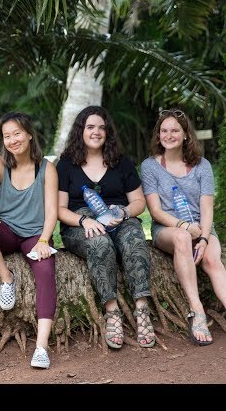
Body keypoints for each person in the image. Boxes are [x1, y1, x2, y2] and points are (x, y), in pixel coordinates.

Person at [140, 108, 226, 349]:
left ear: (185, 135)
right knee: (182, 237)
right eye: (164, 131)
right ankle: (197, 311)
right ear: (158, 135)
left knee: (212, 261)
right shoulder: (150, 166)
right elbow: (156, 211)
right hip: (168, 229)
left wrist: (203, 238)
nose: (168, 135)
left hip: (202, 227)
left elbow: (207, 208)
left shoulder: (202, 166)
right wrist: (183, 226)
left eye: (174, 131)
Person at [57, 105, 155, 350]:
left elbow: (139, 203)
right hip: (80, 222)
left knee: (135, 240)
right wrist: (84, 221)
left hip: (118, 217)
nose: (96, 132)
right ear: (81, 130)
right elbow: (59, 209)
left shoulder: (121, 162)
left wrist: (123, 212)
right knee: (99, 243)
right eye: (90, 127)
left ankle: (142, 309)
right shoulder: (67, 164)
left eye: (102, 127)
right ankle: (112, 311)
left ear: (108, 132)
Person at [0, 111, 58, 369]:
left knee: (45, 271)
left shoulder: (47, 168)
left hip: (34, 235)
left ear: (29, 134)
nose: (12, 140)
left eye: (17, 133)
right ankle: (6, 277)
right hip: (5, 231)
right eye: (7, 136)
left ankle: (41, 347)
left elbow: (52, 211)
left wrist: (44, 240)